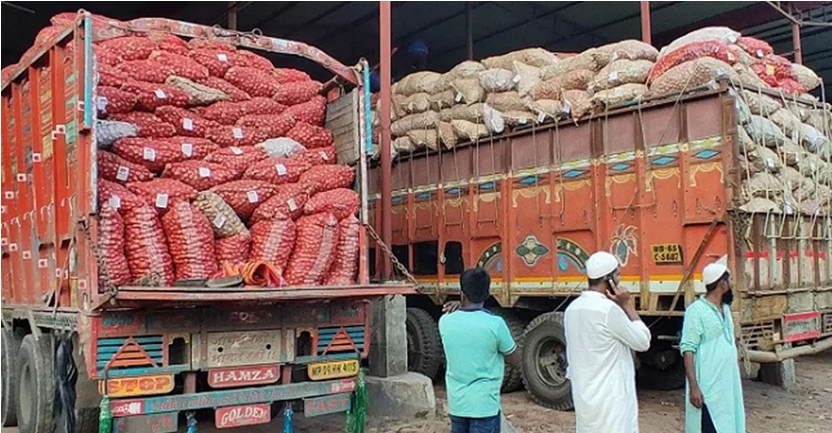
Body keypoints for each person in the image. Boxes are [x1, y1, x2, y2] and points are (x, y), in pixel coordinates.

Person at [564, 251, 652, 433]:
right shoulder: (608, 310)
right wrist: (627, 305)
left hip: (586, 399)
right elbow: (643, 342)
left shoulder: (571, 310)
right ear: (609, 280)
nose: (620, 280)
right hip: (611, 404)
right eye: (618, 275)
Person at [439, 268, 520, 433]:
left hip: (457, 405)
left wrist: (459, 304)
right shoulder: (496, 324)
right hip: (485, 406)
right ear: (487, 294)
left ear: (462, 293)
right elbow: (515, 360)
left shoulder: (444, 321)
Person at [680, 263, 746, 433]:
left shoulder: (725, 309)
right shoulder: (696, 311)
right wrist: (694, 387)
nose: (732, 285)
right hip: (707, 389)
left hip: (727, 388)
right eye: (729, 281)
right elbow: (688, 350)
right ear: (723, 285)